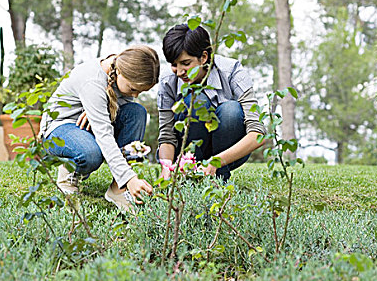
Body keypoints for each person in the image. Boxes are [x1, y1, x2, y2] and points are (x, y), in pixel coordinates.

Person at [39, 45, 160, 212]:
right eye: (133, 89)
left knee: (136, 112)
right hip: (58, 129)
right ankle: (68, 176)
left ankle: (117, 190)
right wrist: (130, 178)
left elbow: (119, 111)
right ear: (120, 73)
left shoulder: (118, 72)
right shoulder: (93, 81)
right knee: (90, 153)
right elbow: (104, 136)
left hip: (86, 129)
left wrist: (98, 110)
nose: (135, 95)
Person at [157, 24, 266, 181]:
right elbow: (167, 136)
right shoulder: (168, 81)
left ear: (204, 57)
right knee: (196, 100)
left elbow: (258, 133)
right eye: (174, 65)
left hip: (226, 154)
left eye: (186, 63)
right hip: (184, 151)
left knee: (231, 109)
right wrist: (166, 168)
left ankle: (219, 178)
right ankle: (189, 177)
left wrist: (216, 162)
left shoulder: (233, 71)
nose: (179, 72)